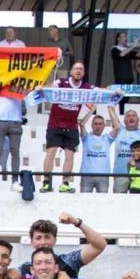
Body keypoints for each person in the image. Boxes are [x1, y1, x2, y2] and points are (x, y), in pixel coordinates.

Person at [42, 62, 93, 193]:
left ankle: (65, 183)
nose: (78, 71)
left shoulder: (86, 87)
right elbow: (46, 89)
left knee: (70, 155)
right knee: (50, 153)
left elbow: (101, 92)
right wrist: (43, 87)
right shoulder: (61, 82)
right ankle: (46, 182)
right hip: (55, 124)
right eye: (76, 68)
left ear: (84, 72)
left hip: (72, 126)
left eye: (81, 69)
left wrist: (115, 91)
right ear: (71, 71)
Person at [108, 103, 140, 194]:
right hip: (121, 174)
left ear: (138, 120)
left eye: (134, 116)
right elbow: (111, 110)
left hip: (139, 174)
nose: (131, 118)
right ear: (124, 120)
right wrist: (111, 95)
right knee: (119, 204)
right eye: (128, 116)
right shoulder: (119, 129)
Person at [77, 112, 115, 193]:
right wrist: (92, 110)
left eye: (100, 124)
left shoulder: (107, 139)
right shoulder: (86, 137)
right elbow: (82, 124)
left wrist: (110, 109)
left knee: (103, 203)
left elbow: (117, 127)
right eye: (95, 124)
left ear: (104, 126)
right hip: (87, 175)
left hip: (103, 175)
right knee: (84, 201)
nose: (98, 126)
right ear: (92, 125)